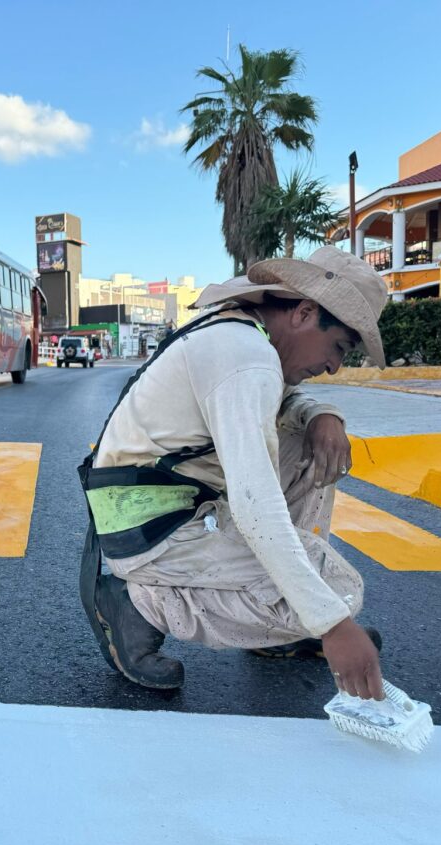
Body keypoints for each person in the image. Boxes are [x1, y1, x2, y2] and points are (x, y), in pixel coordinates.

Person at [78, 246, 388, 700]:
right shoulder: (246, 357)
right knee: (338, 590)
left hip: (160, 502)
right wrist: (332, 622)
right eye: (339, 347)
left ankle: (282, 615)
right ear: (304, 313)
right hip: (147, 527)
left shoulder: (243, 332)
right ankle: (139, 607)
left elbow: (278, 404)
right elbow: (254, 504)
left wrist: (322, 412)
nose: (334, 367)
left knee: (307, 441)